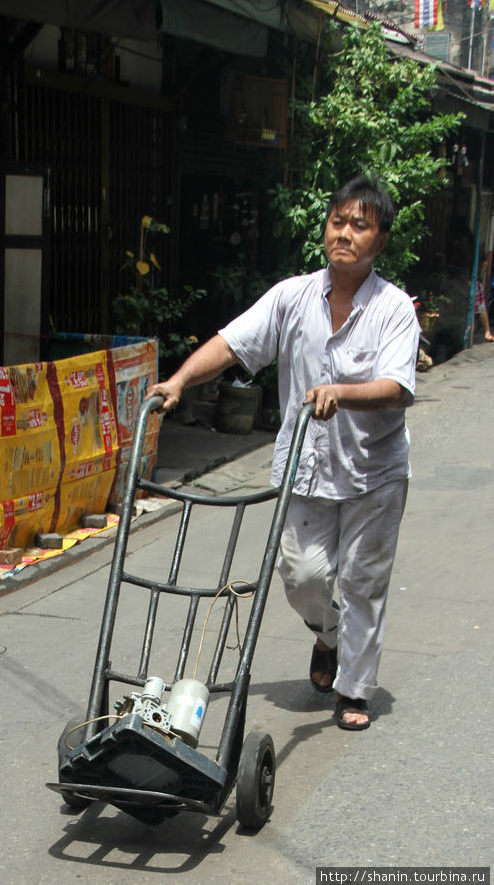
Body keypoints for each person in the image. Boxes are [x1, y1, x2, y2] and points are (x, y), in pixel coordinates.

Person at [146, 176, 420, 731]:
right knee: (302, 579)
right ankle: (329, 636)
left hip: (374, 471)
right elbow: (232, 344)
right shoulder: (291, 296)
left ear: (380, 241)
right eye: (338, 221)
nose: (344, 234)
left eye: (359, 225)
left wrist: (340, 393)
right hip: (307, 467)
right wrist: (178, 380)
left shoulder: (395, 310)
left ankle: (355, 690)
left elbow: (398, 388)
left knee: (363, 581)